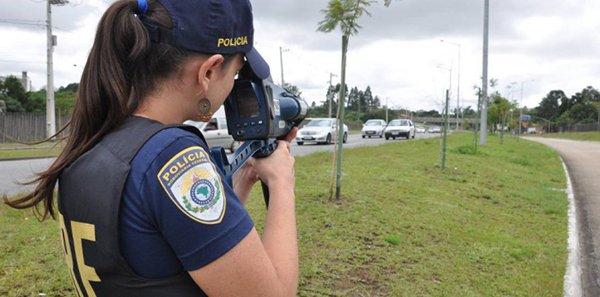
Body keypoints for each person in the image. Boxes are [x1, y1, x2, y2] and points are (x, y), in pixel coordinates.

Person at [5, 0, 298, 296]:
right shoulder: (173, 156)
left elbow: (179, 238)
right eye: (234, 74)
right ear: (208, 72)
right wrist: (281, 181)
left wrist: (243, 178)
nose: (233, 87)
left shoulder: (96, 145)